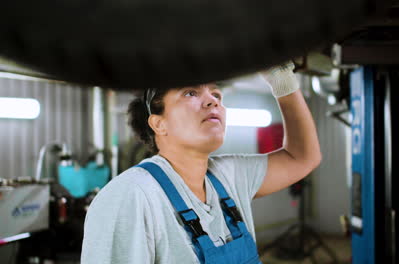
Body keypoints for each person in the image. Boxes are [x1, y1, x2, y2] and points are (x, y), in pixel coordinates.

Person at [80, 62, 321, 264]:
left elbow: (302, 157)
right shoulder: (131, 195)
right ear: (158, 124)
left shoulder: (228, 176)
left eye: (216, 94)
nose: (212, 101)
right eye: (190, 93)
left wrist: (283, 81)